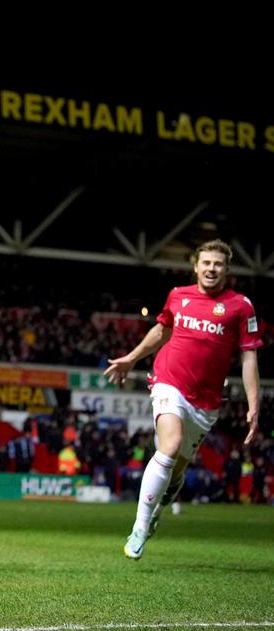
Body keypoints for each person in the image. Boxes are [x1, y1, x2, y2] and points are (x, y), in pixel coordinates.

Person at [105, 240, 262, 559]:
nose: (211, 269)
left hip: (205, 401)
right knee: (170, 445)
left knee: (177, 469)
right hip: (168, 381)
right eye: (206, 263)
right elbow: (162, 331)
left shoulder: (240, 306)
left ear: (226, 270)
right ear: (196, 266)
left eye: (217, 264)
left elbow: (248, 358)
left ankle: (160, 506)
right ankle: (139, 528)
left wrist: (253, 404)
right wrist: (132, 358)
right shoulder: (178, 295)